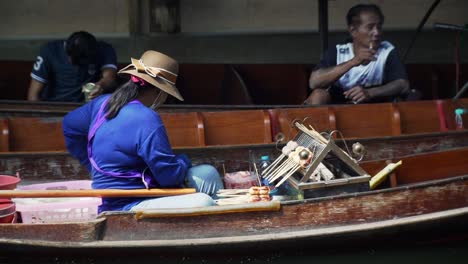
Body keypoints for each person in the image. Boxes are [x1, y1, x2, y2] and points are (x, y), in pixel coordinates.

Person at [62, 50, 224, 213]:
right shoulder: (148, 118)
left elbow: (69, 125)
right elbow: (169, 177)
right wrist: (184, 161)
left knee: (207, 173)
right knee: (204, 201)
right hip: (129, 204)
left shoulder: (103, 102)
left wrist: (92, 165)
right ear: (161, 92)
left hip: (130, 191)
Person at [304, 4, 410, 105]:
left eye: (379, 26)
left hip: (375, 108)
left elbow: (402, 84)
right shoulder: (339, 51)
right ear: (353, 30)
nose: (377, 32)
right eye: (370, 27)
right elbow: (314, 82)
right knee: (318, 95)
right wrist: (353, 62)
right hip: (337, 108)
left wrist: (370, 92)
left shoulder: (386, 51)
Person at [28, 31, 118, 102]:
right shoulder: (49, 51)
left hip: (86, 106)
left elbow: (110, 78)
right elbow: (33, 95)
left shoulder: (104, 49)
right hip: (55, 105)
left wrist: (100, 85)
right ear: (67, 53)